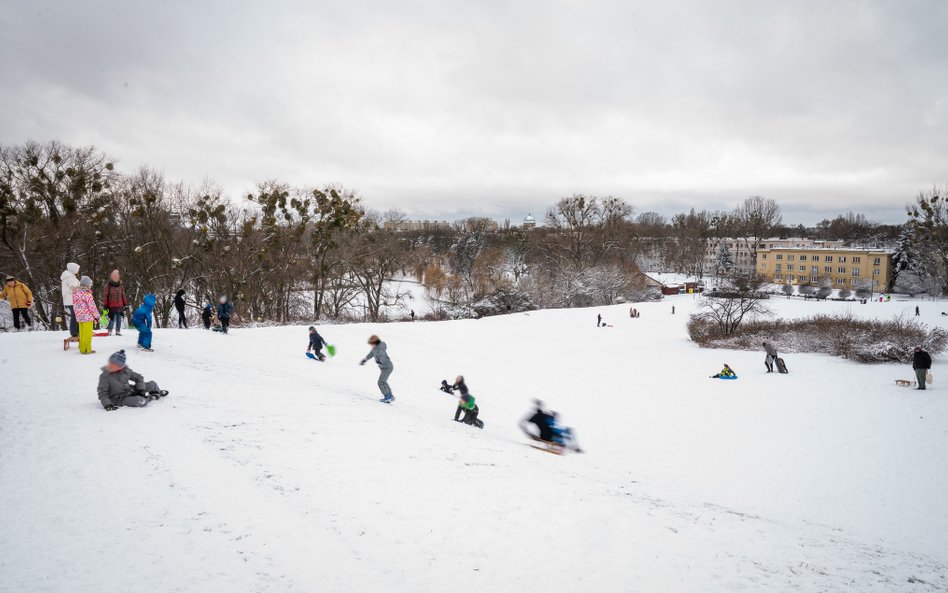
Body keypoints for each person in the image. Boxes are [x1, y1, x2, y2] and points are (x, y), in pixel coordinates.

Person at [97, 349, 167, 411]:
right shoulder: (105, 376)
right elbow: (102, 393)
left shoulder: (126, 371)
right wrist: (107, 404)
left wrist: (141, 390)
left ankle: (158, 392)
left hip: (130, 390)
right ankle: (152, 397)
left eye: (116, 365)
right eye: (112, 364)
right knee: (140, 401)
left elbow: (139, 378)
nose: (113, 366)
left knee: (152, 384)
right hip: (119, 399)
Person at [360, 334, 394, 403]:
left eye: (371, 343)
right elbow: (370, 354)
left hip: (387, 367)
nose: (371, 345)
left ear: (375, 342)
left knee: (380, 382)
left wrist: (380, 361)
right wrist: (365, 360)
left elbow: (383, 356)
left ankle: (388, 397)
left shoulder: (380, 349)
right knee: (383, 381)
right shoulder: (374, 348)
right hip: (384, 367)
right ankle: (390, 396)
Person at [72, 275, 100, 355]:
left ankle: (81, 348)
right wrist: (97, 316)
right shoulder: (87, 295)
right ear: (86, 285)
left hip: (79, 317)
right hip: (87, 317)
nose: (90, 287)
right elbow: (92, 307)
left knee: (82, 333)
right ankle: (87, 349)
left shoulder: (75, 293)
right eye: (90, 285)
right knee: (87, 334)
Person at [101, 269, 128, 336]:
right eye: (114, 276)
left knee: (119, 318)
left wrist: (125, 304)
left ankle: (118, 330)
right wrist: (105, 305)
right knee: (112, 318)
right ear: (112, 277)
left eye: (117, 276)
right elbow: (105, 295)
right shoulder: (108, 285)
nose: (115, 277)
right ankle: (110, 330)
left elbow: (123, 294)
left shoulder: (120, 284)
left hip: (120, 304)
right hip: (111, 305)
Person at [61, 262, 81, 349]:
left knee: (75, 316)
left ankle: (75, 332)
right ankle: (74, 332)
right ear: (73, 269)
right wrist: (84, 288)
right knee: (75, 316)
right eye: (77, 269)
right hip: (73, 300)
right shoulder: (71, 278)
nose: (78, 271)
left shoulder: (67, 277)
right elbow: (75, 288)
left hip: (69, 300)